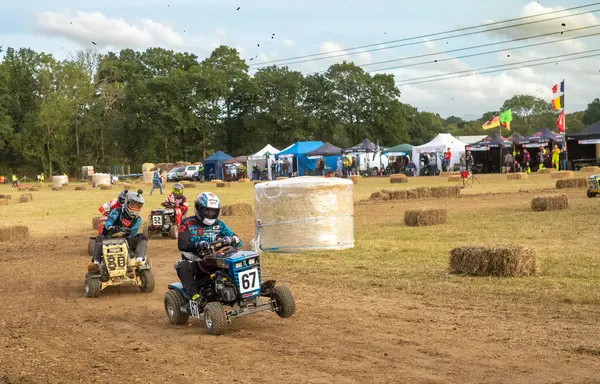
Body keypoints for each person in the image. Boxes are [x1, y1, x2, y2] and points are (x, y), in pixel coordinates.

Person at [175, 192, 242, 302]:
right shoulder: (187, 223)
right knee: (182, 266)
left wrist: (233, 239)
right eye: (207, 210)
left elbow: (237, 240)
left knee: (234, 261)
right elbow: (182, 245)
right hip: (195, 261)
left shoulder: (219, 225)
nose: (210, 214)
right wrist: (198, 244)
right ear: (198, 209)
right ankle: (195, 297)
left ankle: (238, 291)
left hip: (215, 259)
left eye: (213, 211)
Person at [89, 190, 147, 271]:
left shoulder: (138, 220)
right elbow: (108, 223)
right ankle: (96, 262)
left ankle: (139, 260)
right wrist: (112, 227)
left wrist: (126, 232)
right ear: (126, 203)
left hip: (126, 240)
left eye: (138, 207)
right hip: (109, 238)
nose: (135, 209)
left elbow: (132, 233)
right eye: (133, 206)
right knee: (99, 238)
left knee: (143, 237)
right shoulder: (117, 211)